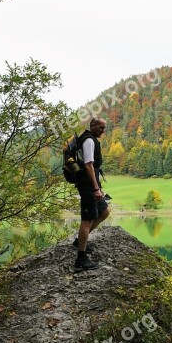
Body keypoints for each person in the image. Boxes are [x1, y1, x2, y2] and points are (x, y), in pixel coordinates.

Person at [73, 117, 110, 272]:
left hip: (92, 185)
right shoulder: (88, 141)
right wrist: (96, 188)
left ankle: (79, 241)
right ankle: (81, 258)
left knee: (104, 211)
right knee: (87, 220)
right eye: (101, 127)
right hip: (88, 186)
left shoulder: (90, 139)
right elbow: (88, 165)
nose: (103, 131)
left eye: (104, 128)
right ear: (93, 126)